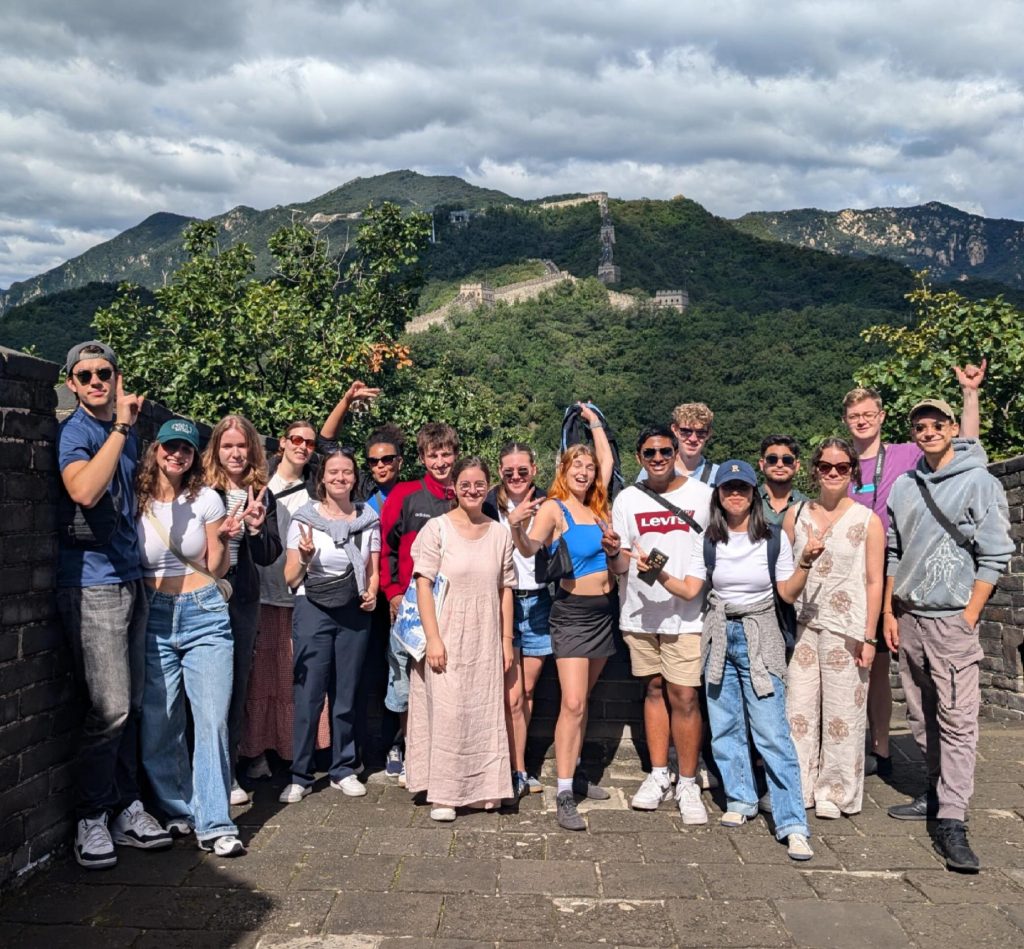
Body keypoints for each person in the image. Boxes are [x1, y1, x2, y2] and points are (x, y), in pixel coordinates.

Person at [634, 459, 823, 861]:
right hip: (719, 632)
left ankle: (792, 823)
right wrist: (654, 571)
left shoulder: (772, 538)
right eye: (727, 488)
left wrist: (805, 562)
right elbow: (689, 590)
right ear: (718, 495)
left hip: (761, 633)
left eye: (741, 487)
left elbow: (786, 594)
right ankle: (740, 800)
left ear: (754, 492)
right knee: (725, 724)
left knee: (771, 731)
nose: (734, 494)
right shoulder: (710, 540)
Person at [883, 399, 1012, 872]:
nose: (929, 430)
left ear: (953, 428)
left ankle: (954, 820)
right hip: (911, 616)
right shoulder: (904, 486)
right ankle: (935, 793)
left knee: (957, 720)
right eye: (921, 425)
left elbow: (995, 554)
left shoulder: (979, 481)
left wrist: (969, 615)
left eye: (938, 423)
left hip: (952, 617)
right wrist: (889, 612)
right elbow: (894, 551)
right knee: (921, 714)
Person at [56, 340, 172, 868]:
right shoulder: (78, 432)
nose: (96, 381)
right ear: (72, 385)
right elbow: (82, 491)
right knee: (110, 707)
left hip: (130, 579)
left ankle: (124, 806)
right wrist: (123, 428)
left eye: (105, 372)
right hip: (93, 584)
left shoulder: (118, 437)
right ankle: (90, 816)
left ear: (116, 378)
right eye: (86, 375)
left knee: (134, 704)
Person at [843, 362, 984, 775]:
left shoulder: (905, 454)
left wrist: (970, 394)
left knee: (885, 667)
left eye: (869, 414)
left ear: (881, 417)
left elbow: (967, 447)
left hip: (894, 573)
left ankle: (883, 749)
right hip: (851, 574)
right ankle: (849, 743)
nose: (862, 421)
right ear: (846, 421)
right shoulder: (840, 465)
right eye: (855, 416)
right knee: (856, 663)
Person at [136, 417, 244, 857]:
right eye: (169, 446)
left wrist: (228, 540)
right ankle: (181, 808)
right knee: (160, 723)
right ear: (155, 450)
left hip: (205, 613)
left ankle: (216, 822)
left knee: (213, 719)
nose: (176, 454)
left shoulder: (207, 500)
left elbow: (217, 568)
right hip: (154, 615)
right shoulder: (137, 499)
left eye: (185, 448)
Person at [508, 403, 616, 831]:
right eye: (577, 465)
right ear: (563, 469)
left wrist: (595, 423)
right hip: (570, 616)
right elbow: (529, 550)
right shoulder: (555, 508)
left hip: (603, 614)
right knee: (571, 703)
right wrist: (518, 526)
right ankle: (564, 791)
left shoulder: (599, 505)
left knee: (583, 702)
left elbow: (607, 458)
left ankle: (575, 773)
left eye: (589, 466)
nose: (586, 471)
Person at [604, 425, 712, 823]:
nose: (658, 459)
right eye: (650, 453)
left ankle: (687, 779)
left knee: (684, 695)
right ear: (639, 458)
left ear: (676, 451)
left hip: (686, 613)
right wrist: (615, 552)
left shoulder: (702, 496)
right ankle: (657, 773)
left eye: (665, 451)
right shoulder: (628, 498)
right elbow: (619, 565)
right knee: (652, 689)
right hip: (640, 610)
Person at [408, 457, 516, 821]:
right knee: (449, 714)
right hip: (446, 633)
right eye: (465, 484)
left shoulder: (500, 532)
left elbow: (505, 590)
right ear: (453, 488)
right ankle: (445, 793)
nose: (473, 490)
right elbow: (422, 585)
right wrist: (433, 639)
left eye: (479, 484)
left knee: (484, 713)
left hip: (485, 636)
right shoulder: (437, 530)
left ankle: (484, 790)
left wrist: (505, 640)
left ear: (488, 486)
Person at [783, 438, 884, 818]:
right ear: (815, 470)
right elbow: (783, 570)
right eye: (826, 466)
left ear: (853, 472)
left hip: (848, 628)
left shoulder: (867, 521)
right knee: (799, 711)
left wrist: (870, 635)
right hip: (804, 625)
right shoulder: (797, 514)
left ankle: (836, 791)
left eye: (842, 467)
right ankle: (801, 785)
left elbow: (875, 580)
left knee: (844, 714)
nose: (833, 473)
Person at [278, 448, 380, 803]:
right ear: (321, 477)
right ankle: (300, 775)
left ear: (355, 477)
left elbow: (373, 569)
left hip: (353, 610)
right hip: (312, 607)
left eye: (347, 472)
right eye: (333, 472)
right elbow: (290, 578)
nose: (340, 478)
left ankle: (343, 769)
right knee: (308, 694)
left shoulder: (368, 518)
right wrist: (304, 559)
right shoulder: (304, 519)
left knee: (347, 693)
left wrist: (372, 593)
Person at [239, 420, 331, 779]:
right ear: (282, 442)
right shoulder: (260, 484)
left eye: (309, 442)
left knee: (293, 676)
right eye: (296, 439)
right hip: (261, 590)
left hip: (299, 593)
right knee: (261, 680)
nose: (303, 446)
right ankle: (257, 752)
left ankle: (296, 749)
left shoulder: (314, 490)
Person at [202, 415, 281, 805]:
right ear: (216, 449)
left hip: (243, 599)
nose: (235, 453)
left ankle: (227, 771)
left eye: (241, 445)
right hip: (202, 592)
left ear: (253, 448)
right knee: (203, 687)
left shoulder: (262, 494)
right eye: (227, 446)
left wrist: (255, 528)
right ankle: (199, 773)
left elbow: (268, 555)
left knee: (235, 684)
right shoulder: (203, 491)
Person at [379, 423, 460, 784]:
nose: (441, 462)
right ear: (422, 458)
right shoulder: (406, 495)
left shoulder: (466, 493)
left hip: (455, 605)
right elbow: (386, 549)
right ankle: (407, 745)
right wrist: (392, 591)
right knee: (404, 683)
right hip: (411, 605)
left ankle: (443, 752)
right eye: (433, 455)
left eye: (446, 454)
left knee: (447, 681)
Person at [483, 441, 551, 798]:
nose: (515, 477)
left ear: (534, 471)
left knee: (526, 691)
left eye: (522, 471)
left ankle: (519, 763)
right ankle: (516, 769)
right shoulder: (487, 504)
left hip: (539, 602)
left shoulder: (548, 504)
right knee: (510, 697)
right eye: (508, 471)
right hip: (502, 602)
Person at [358, 423, 406, 778]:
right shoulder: (361, 494)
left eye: (387, 459)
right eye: (374, 461)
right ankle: (361, 749)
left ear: (400, 462)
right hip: (364, 598)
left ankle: (396, 743)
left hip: (399, 598)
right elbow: (326, 448)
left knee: (398, 673)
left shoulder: (409, 494)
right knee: (368, 674)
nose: (381, 466)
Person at [758, 435, 809, 526]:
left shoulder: (807, 505)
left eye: (787, 460)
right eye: (772, 459)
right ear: (762, 464)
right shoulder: (748, 501)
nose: (780, 464)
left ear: (797, 466)